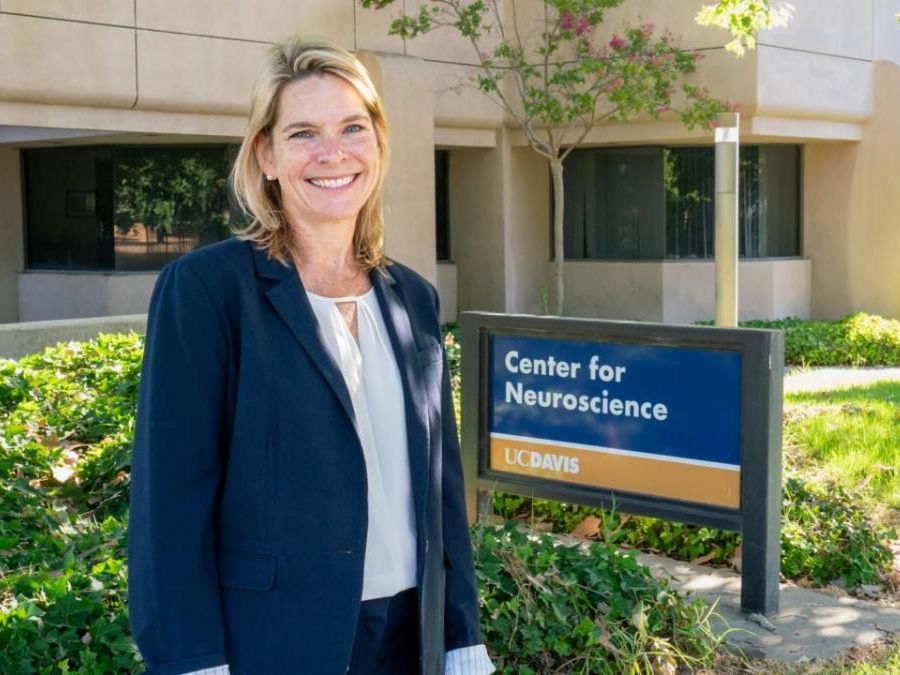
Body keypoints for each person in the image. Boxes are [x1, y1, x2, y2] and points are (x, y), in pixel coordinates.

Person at [127, 37, 496, 675]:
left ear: (378, 144)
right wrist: (192, 661)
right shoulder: (209, 291)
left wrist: (462, 637)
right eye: (303, 134)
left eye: (353, 127)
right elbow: (171, 499)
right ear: (265, 155)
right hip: (273, 641)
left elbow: (440, 489)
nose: (333, 153)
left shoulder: (413, 297)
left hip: (411, 638)